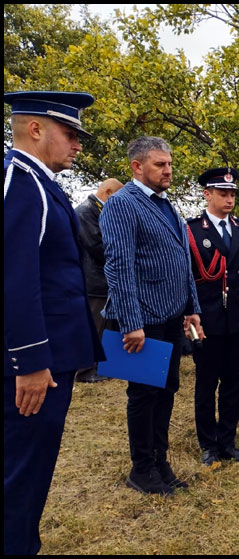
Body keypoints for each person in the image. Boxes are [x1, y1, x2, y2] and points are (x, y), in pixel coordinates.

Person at [4, 91, 104, 555]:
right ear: (36, 129)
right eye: (70, 133)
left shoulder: (40, 182)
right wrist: (29, 360)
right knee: (20, 477)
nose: (78, 144)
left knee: (31, 472)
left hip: (51, 358)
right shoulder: (19, 181)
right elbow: (14, 275)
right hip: (33, 366)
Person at [100, 136, 204, 495]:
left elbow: (182, 261)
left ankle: (161, 461)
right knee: (144, 395)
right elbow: (118, 267)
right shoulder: (122, 206)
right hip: (144, 321)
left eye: (170, 163)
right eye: (160, 164)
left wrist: (192, 309)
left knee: (166, 390)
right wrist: (131, 323)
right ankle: (142, 469)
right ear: (137, 167)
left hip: (172, 317)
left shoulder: (166, 205)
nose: (168, 170)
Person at [188, 167, 239, 465]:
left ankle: (228, 441)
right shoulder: (192, 230)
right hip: (203, 321)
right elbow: (187, 278)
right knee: (206, 382)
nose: (229, 198)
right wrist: (189, 316)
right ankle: (208, 444)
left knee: (234, 381)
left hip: (237, 319)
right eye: (223, 193)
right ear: (207, 194)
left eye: (232, 193)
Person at [74, 178, 124, 383]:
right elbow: (97, 246)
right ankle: (84, 371)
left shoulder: (98, 211)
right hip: (93, 281)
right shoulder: (85, 212)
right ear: (109, 192)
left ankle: (103, 366)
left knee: (105, 327)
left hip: (103, 281)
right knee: (92, 328)